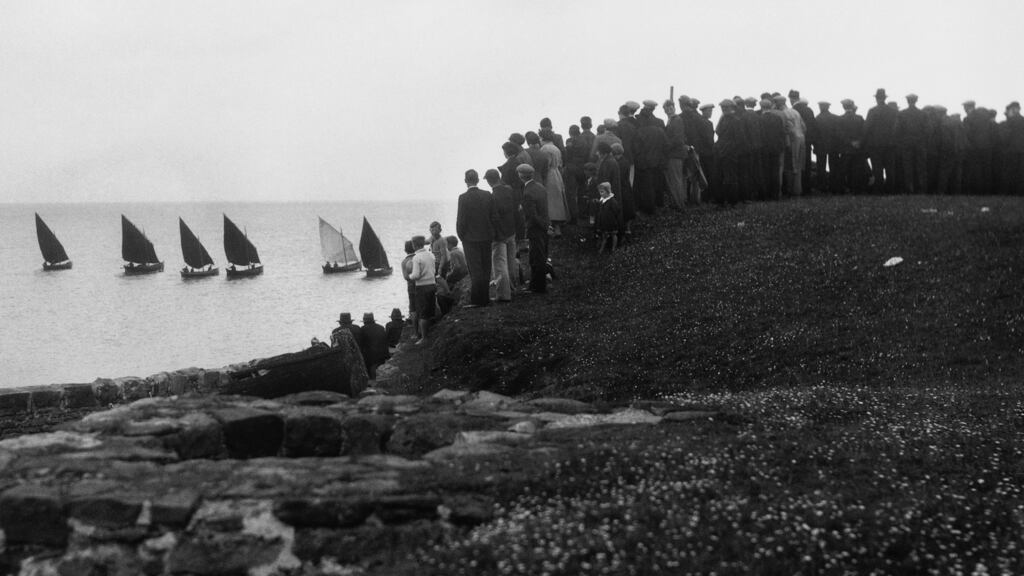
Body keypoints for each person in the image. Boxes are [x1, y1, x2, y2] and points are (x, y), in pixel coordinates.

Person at [455, 168, 494, 307]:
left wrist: (462, 237)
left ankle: (477, 300)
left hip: (470, 239)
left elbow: (461, 221)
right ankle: (485, 298)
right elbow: (493, 216)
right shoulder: (487, 195)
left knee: (475, 270)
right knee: (486, 268)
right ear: (477, 180)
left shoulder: (463, 198)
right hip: (486, 237)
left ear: (466, 181)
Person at [485, 168, 517, 302]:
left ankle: (503, 295)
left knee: (499, 265)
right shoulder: (509, 190)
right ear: (498, 177)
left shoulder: (492, 197)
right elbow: (515, 210)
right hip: (511, 231)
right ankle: (512, 288)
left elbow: (494, 218)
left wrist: (496, 234)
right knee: (511, 262)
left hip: (500, 235)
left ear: (488, 181)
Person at [518, 163, 549, 293]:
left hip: (535, 228)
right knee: (540, 256)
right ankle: (536, 284)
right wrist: (546, 225)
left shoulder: (527, 192)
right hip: (544, 225)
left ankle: (538, 287)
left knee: (536, 258)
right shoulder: (540, 187)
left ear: (521, 176)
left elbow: (532, 215)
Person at [864, 88, 899, 194]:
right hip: (890, 144)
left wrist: (863, 142)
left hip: (875, 145)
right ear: (884, 98)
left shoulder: (872, 111)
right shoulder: (893, 112)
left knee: (877, 168)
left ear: (876, 98)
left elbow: (867, 128)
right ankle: (890, 190)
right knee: (890, 168)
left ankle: (879, 189)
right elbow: (897, 128)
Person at [540, 129, 570, 237]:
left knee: (550, 201)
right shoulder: (556, 148)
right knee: (558, 200)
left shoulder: (544, 149)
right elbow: (560, 163)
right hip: (557, 173)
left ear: (542, 138)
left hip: (549, 175)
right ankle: (558, 228)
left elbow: (546, 165)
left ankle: (552, 228)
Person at [898, 93, 929, 194]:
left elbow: (897, 130)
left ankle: (909, 189)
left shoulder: (902, 114)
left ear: (907, 101)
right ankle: (921, 189)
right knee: (920, 167)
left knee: (908, 167)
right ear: (916, 101)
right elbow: (928, 130)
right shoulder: (923, 114)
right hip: (920, 144)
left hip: (906, 144)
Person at [408, 235, 437, 344]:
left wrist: (409, 276)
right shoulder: (431, 254)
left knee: (423, 313)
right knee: (429, 310)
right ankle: (429, 334)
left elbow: (416, 275)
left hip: (422, 287)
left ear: (414, 245)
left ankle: (424, 338)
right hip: (432, 284)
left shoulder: (416, 257)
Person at [594, 182, 623, 253]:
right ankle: (602, 248)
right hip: (604, 221)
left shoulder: (612, 201)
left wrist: (611, 216)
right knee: (604, 235)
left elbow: (617, 210)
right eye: (600, 192)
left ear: (608, 191)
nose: (600, 194)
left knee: (613, 234)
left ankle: (613, 247)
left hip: (611, 222)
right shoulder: (602, 200)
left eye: (602, 192)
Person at [360, 312, 388, 380]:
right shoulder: (381, 328)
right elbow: (385, 341)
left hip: (369, 358)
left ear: (364, 321)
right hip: (382, 356)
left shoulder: (363, 329)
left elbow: (361, 344)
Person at [399, 240, 417, 336]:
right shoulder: (419, 257)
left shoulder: (404, 262)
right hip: (423, 284)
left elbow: (406, 277)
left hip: (411, 287)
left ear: (405, 250)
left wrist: (413, 279)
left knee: (413, 309)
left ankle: (416, 331)